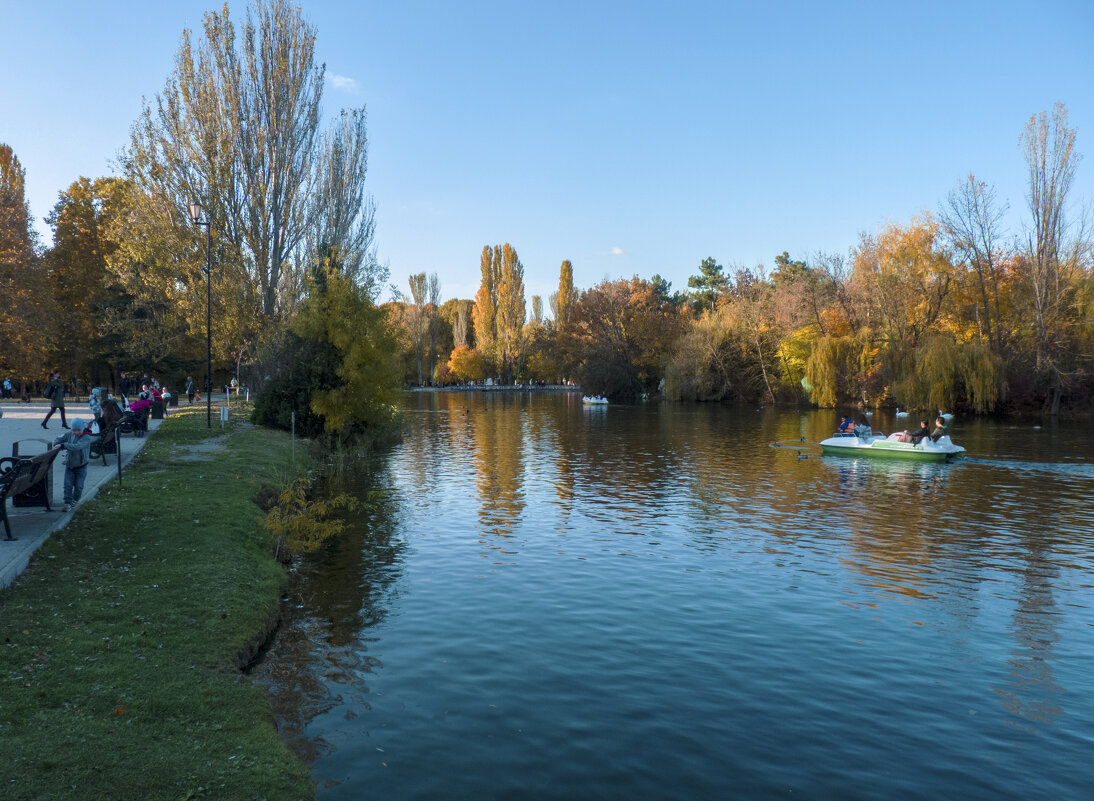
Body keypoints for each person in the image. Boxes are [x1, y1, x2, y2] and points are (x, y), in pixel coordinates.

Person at [53, 417, 98, 512]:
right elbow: (61, 438)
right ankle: (67, 502)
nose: (76, 432)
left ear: (82, 428)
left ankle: (75, 499)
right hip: (70, 465)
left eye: (78, 430)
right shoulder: (69, 434)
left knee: (79, 485)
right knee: (67, 485)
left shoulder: (86, 437)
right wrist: (57, 443)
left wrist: (63, 445)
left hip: (81, 466)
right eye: (74, 430)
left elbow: (77, 446)